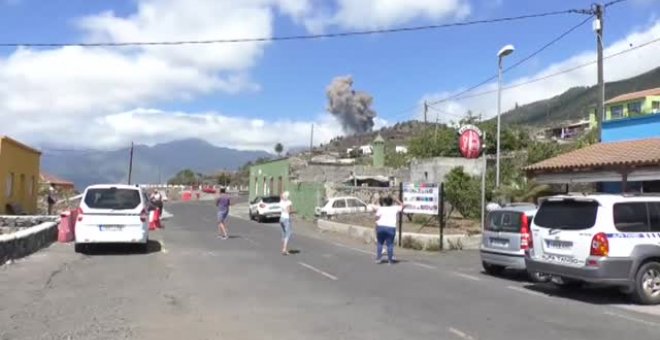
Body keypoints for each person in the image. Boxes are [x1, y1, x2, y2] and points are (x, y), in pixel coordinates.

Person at [374, 195, 404, 264]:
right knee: (390, 244)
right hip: (391, 228)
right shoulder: (395, 208)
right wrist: (397, 200)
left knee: (380, 243)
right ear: (392, 202)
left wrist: (378, 221)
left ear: (384, 202)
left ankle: (378, 259)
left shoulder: (381, 208)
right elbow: (403, 206)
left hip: (381, 227)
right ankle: (390, 260)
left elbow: (376, 217)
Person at [279, 191, 294, 255]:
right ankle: (284, 249)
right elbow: (288, 211)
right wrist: (294, 211)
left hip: (281, 218)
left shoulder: (281, 202)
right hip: (286, 219)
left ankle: (284, 248)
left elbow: (281, 195)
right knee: (288, 234)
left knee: (284, 233)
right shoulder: (289, 202)